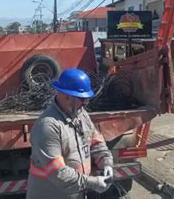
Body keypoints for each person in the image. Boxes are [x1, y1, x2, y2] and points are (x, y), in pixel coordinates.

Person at [26, 69, 114, 199]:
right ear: (67, 96)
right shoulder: (48, 127)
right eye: (82, 99)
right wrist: (92, 183)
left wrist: (106, 163)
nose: (85, 103)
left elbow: (96, 143)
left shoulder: (81, 115)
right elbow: (58, 173)